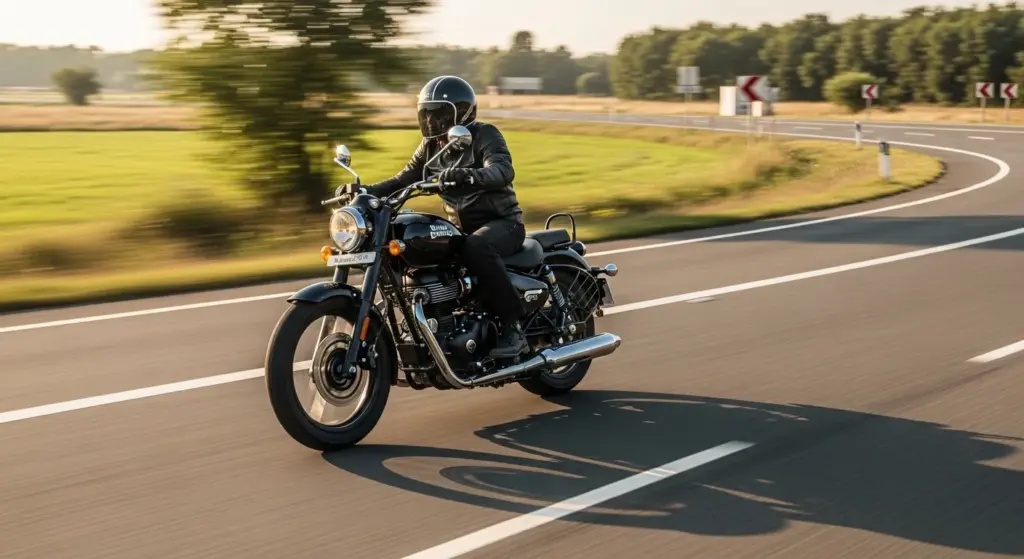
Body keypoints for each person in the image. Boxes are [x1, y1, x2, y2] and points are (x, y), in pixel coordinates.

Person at [338, 75, 529, 359]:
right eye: (426, 113)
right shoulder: (431, 146)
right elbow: (403, 179)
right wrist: (363, 190)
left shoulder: (484, 135)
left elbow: (502, 170)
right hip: (461, 228)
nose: (430, 121)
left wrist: (468, 175)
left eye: (438, 114)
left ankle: (514, 328)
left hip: (502, 223)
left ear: (460, 113)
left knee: (476, 247)